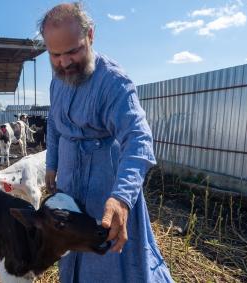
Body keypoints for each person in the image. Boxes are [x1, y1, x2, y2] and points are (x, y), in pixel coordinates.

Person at [40, 3, 173, 283]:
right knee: (72, 249)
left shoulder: (113, 81)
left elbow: (138, 138)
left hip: (106, 192)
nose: (64, 62)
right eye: (55, 55)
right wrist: (52, 165)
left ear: (90, 35)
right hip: (69, 188)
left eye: (72, 51)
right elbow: (54, 123)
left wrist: (122, 198)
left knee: (110, 263)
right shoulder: (57, 81)